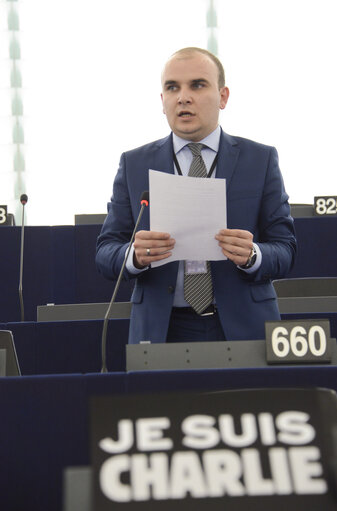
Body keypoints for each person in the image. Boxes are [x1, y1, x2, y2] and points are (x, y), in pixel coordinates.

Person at [96, 47, 297, 344]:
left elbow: (286, 249)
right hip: (161, 329)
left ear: (223, 96)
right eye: (172, 87)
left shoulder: (261, 159)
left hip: (243, 327)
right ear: (162, 101)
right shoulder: (134, 163)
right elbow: (105, 252)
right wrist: (134, 257)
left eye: (198, 85)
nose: (183, 97)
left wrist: (253, 255)